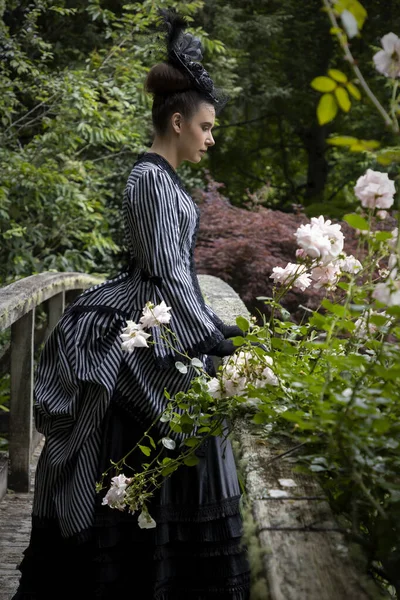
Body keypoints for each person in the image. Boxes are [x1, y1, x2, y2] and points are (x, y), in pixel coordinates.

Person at [12, 8, 251, 600]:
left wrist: (218, 328)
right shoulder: (151, 181)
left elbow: (176, 276)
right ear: (177, 121)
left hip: (152, 318)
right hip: (138, 327)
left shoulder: (161, 181)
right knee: (172, 435)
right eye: (207, 127)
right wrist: (216, 340)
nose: (211, 138)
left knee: (186, 433)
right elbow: (168, 274)